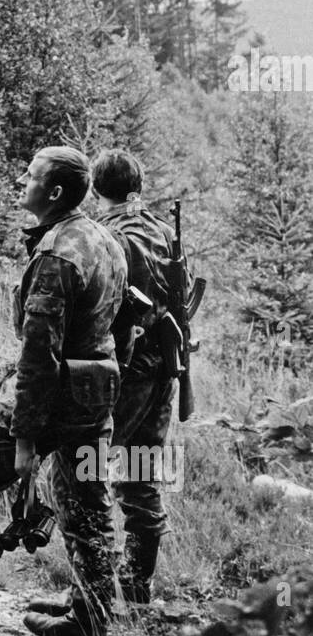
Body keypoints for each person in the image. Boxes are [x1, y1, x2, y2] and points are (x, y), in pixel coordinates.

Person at [0, 146, 128, 636]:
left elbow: (39, 356)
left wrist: (23, 438)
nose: (23, 180)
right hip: (95, 395)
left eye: (32, 175)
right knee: (87, 504)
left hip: (55, 400)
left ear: (54, 192)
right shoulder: (105, 239)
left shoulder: (56, 254)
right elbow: (116, 330)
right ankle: (89, 623)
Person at [84, 149, 180, 604]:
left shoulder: (108, 236)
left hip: (129, 368)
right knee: (142, 471)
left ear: (96, 190)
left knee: (86, 467)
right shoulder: (164, 231)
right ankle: (136, 584)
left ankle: (92, 592)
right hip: (165, 368)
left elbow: (102, 309)